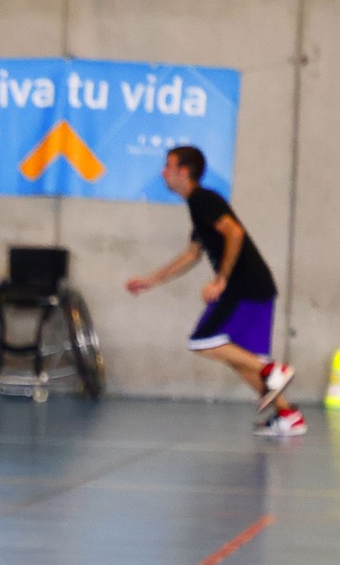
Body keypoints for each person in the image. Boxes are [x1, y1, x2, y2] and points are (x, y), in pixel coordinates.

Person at [127, 145, 304, 437]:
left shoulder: (203, 199)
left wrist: (220, 279)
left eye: (168, 166)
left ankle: (274, 371)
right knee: (240, 359)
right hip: (255, 285)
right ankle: (288, 415)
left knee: (202, 341)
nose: (163, 172)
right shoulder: (198, 206)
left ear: (184, 172)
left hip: (244, 285)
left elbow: (234, 233)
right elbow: (193, 254)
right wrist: (152, 280)